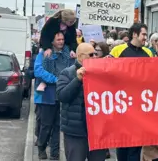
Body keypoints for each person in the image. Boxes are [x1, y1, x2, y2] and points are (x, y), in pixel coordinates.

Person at [57, 43, 108, 161]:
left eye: (96, 54)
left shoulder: (100, 73)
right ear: (80, 56)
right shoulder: (67, 73)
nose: (95, 57)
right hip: (75, 131)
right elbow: (62, 96)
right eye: (91, 54)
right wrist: (77, 80)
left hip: (97, 131)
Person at [109, 23, 153, 161]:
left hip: (140, 107)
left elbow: (154, 77)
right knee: (122, 146)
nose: (146, 37)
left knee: (135, 147)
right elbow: (105, 70)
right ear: (134, 34)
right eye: (144, 34)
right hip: (122, 106)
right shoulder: (118, 50)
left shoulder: (149, 53)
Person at [34, 32, 75, 160]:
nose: (61, 42)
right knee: (46, 125)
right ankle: (41, 147)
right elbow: (38, 71)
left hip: (62, 95)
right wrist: (55, 79)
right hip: (48, 95)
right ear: (52, 41)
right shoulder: (44, 54)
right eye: (58, 39)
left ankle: (55, 153)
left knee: (58, 126)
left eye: (62, 39)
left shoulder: (69, 55)